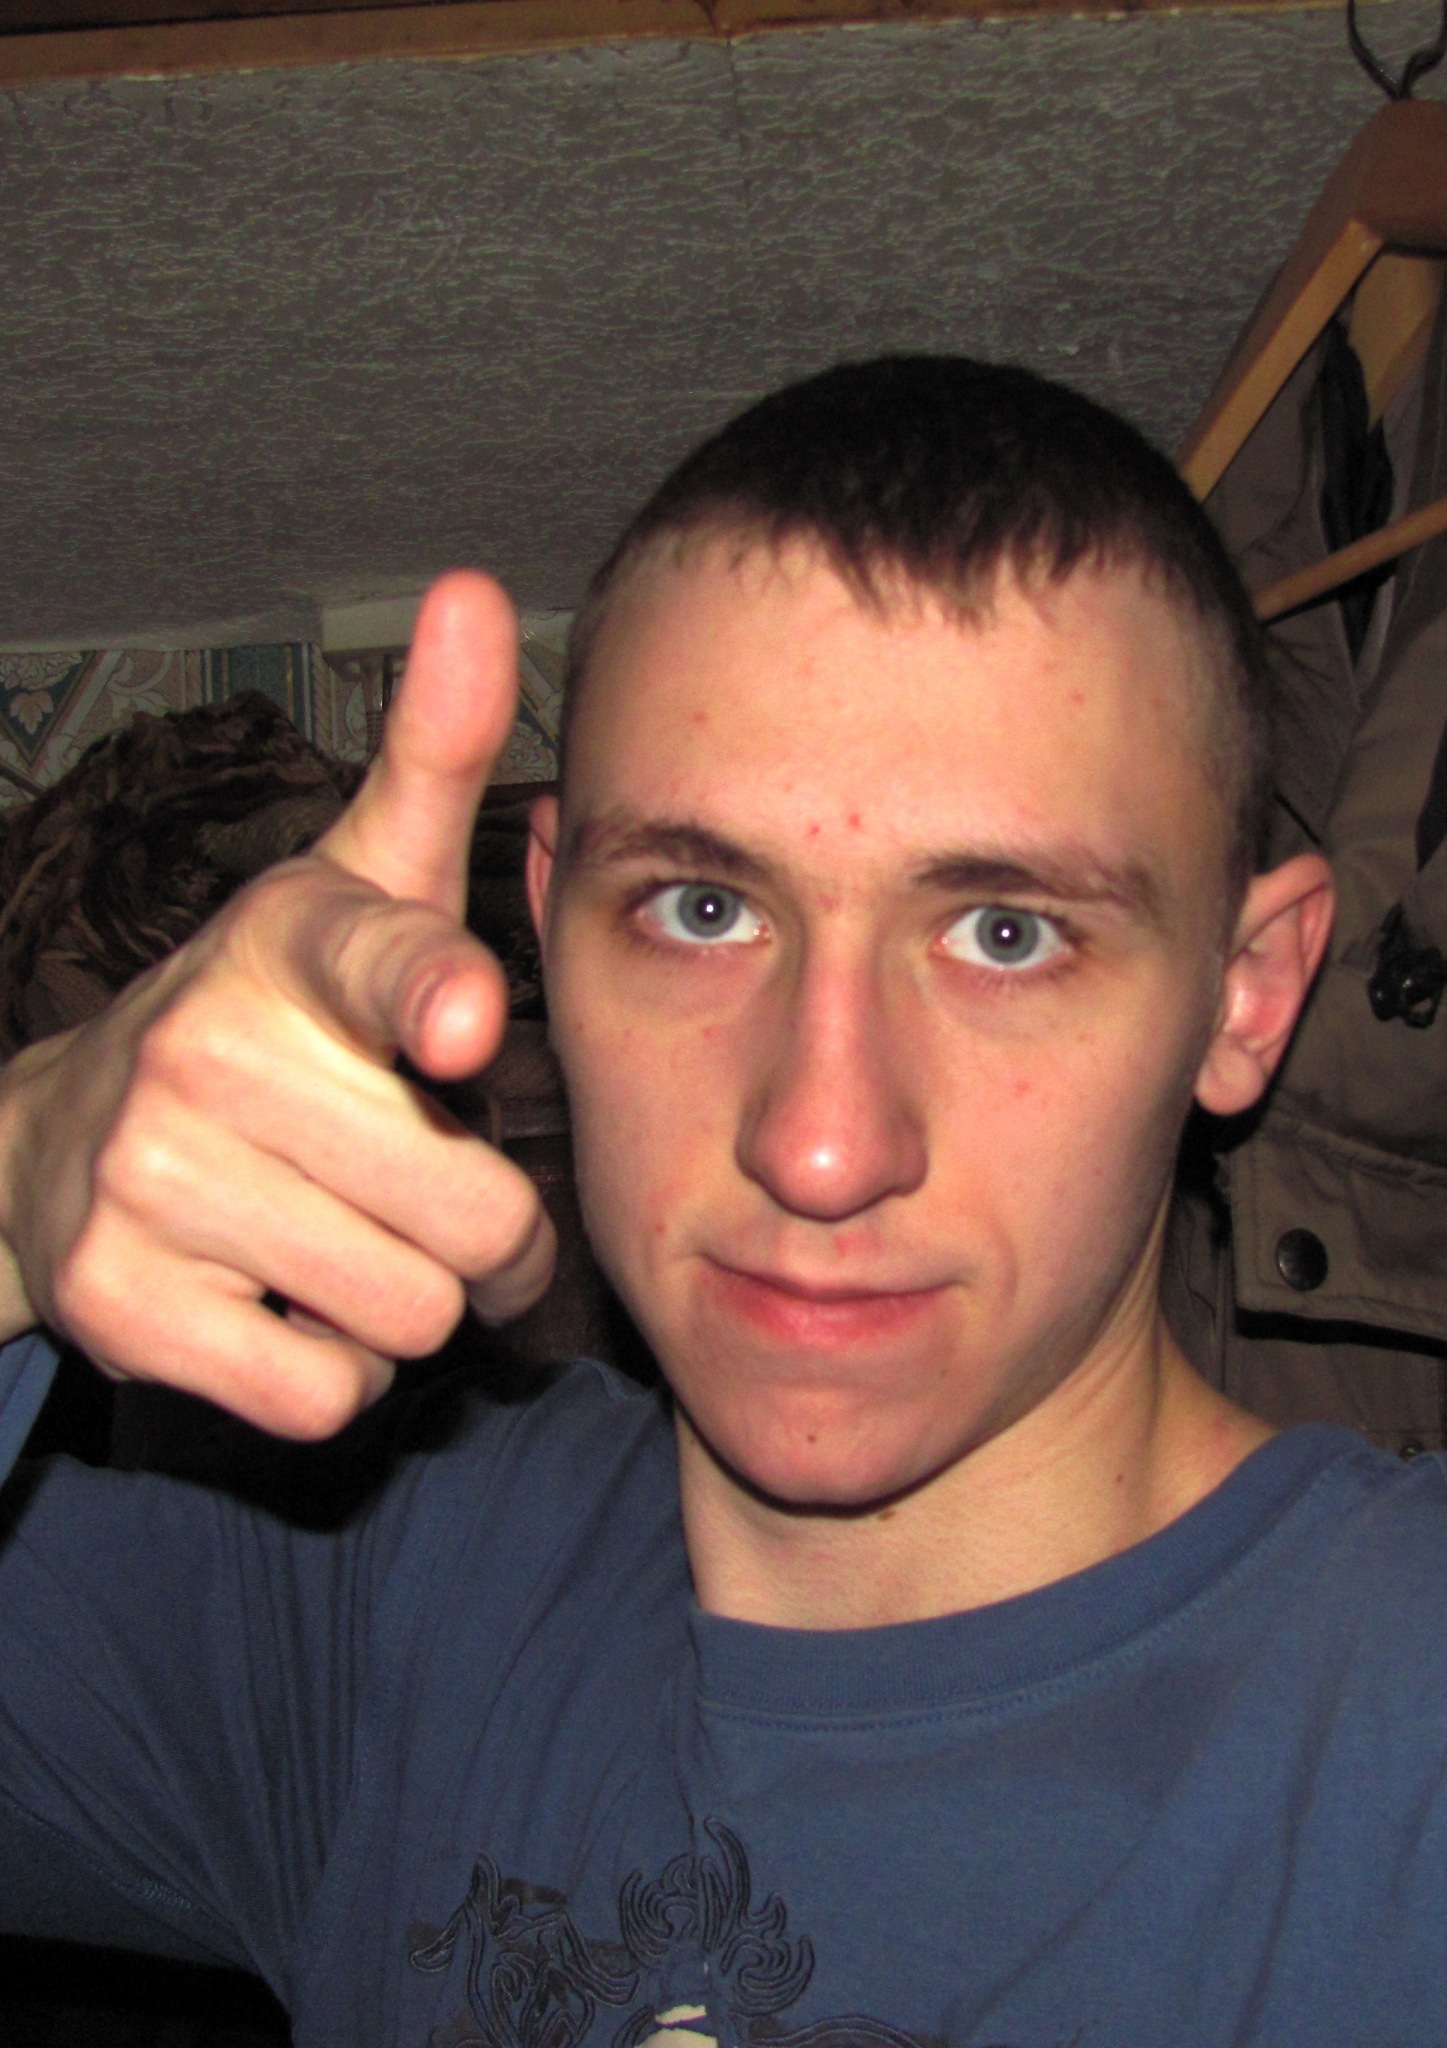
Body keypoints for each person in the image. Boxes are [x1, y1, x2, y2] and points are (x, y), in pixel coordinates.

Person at [0, 354, 1436, 2047]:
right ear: (548, 925)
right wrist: (17, 1173)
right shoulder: (376, 1611)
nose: (819, 1149)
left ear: (1247, 995)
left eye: (1006, 935)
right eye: (701, 910)